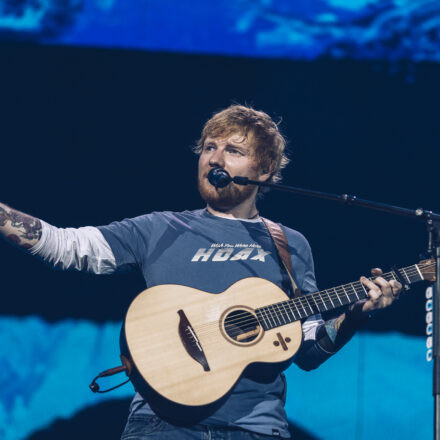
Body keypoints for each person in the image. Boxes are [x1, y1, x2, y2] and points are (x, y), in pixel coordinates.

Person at [0, 105, 401, 439]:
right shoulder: (161, 228)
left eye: (232, 150)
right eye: (209, 148)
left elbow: (307, 348)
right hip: (162, 425)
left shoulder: (289, 244)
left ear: (264, 170)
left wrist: (355, 315)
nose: (215, 158)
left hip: (256, 429)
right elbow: (68, 246)